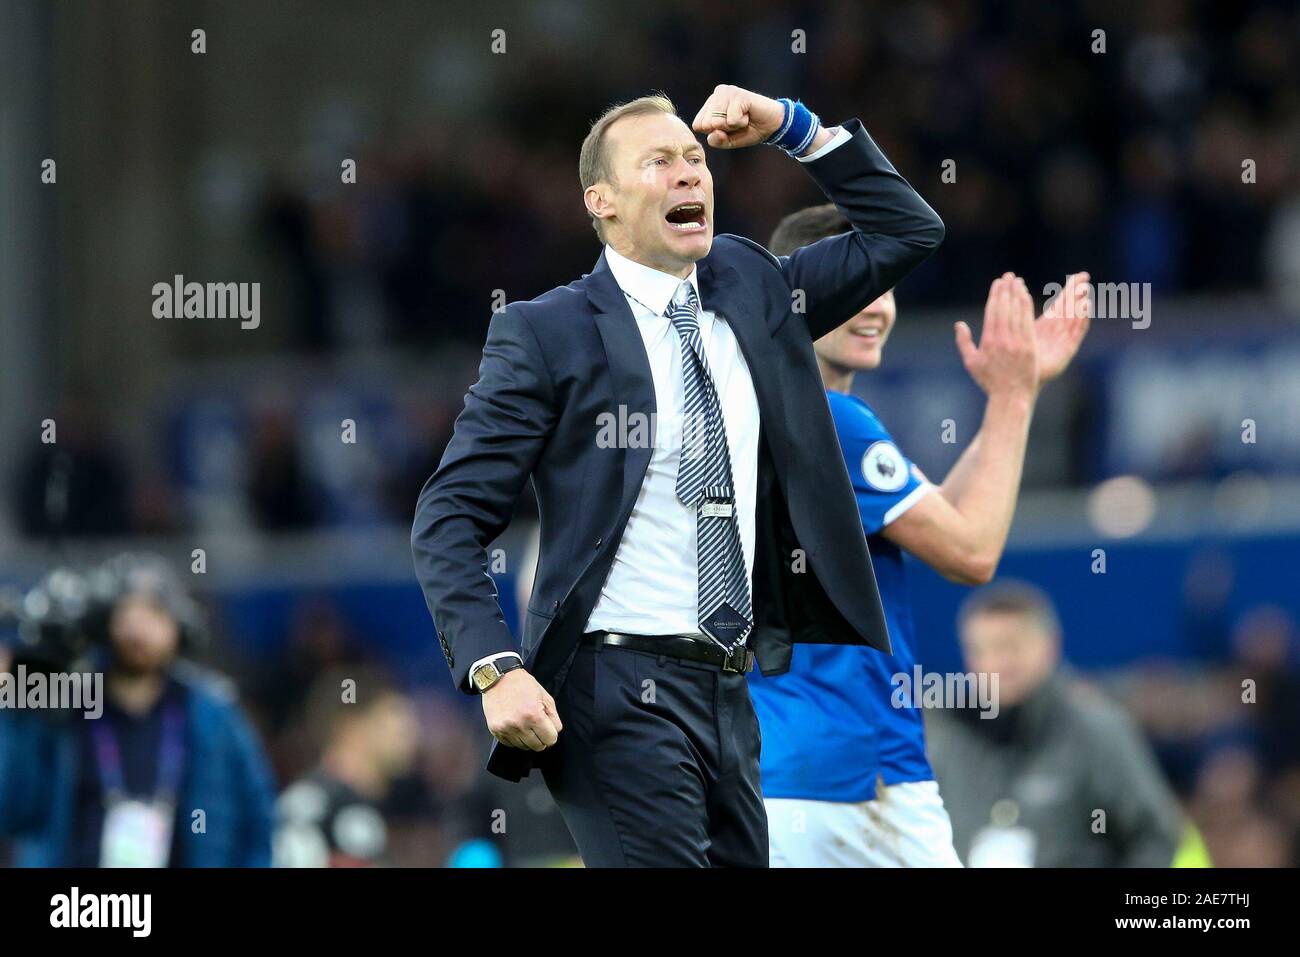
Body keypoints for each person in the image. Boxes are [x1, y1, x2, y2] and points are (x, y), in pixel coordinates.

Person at [411, 86, 944, 866]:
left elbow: (909, 229)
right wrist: (495, 668)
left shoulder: (755, 286)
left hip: (734, 690)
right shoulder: (547, 331)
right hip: (613, 685)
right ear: (603, 201)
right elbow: (449, 515)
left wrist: (794, 128)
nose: (689, 173)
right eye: (658, 162)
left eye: (695, 158)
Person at [749, 203, 1091, 866]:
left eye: (885, 285)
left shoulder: (761, 413)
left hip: (772, 779)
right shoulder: (834, 422)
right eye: (854, 286)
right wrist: (1016, 397)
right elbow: (971, 552)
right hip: (860, 778)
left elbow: (940, 516)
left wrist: (1007, 398)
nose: (875, 306)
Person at [0, 554, 276, 867]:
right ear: (104, 623)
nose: (138, 628)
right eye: (126, 614)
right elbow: (13, 812)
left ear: (178, 625)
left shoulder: (212, 713)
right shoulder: (68, 705)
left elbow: (257, 819)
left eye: (154, 612)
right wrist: (21, 702)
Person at [927, 581, 1184, 867]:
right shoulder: (948, 736)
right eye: (983, 649)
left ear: (1050, 645)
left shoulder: (1095, 729)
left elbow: (1153, 836)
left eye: (1011, 646)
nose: (999, 662)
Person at [273, 666, 420, 867]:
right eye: (396, 722)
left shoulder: (401, 804)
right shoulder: (311, 804)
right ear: (350, 726)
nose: (412, 735)